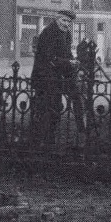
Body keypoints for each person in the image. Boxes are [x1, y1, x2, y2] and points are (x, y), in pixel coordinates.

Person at [31, 9, 83, 146]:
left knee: (71, 98)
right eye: (64, 20)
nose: (66, 24)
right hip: (45, 77)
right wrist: (67, 62)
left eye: (69, 22)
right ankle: (43, 140)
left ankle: (79, 128)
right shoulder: (48, 32)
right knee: (48, 109)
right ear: (57, 19)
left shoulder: (66, 34)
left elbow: (66, 54)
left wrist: (73, 61)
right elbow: (49, 58)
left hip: (57, 76)